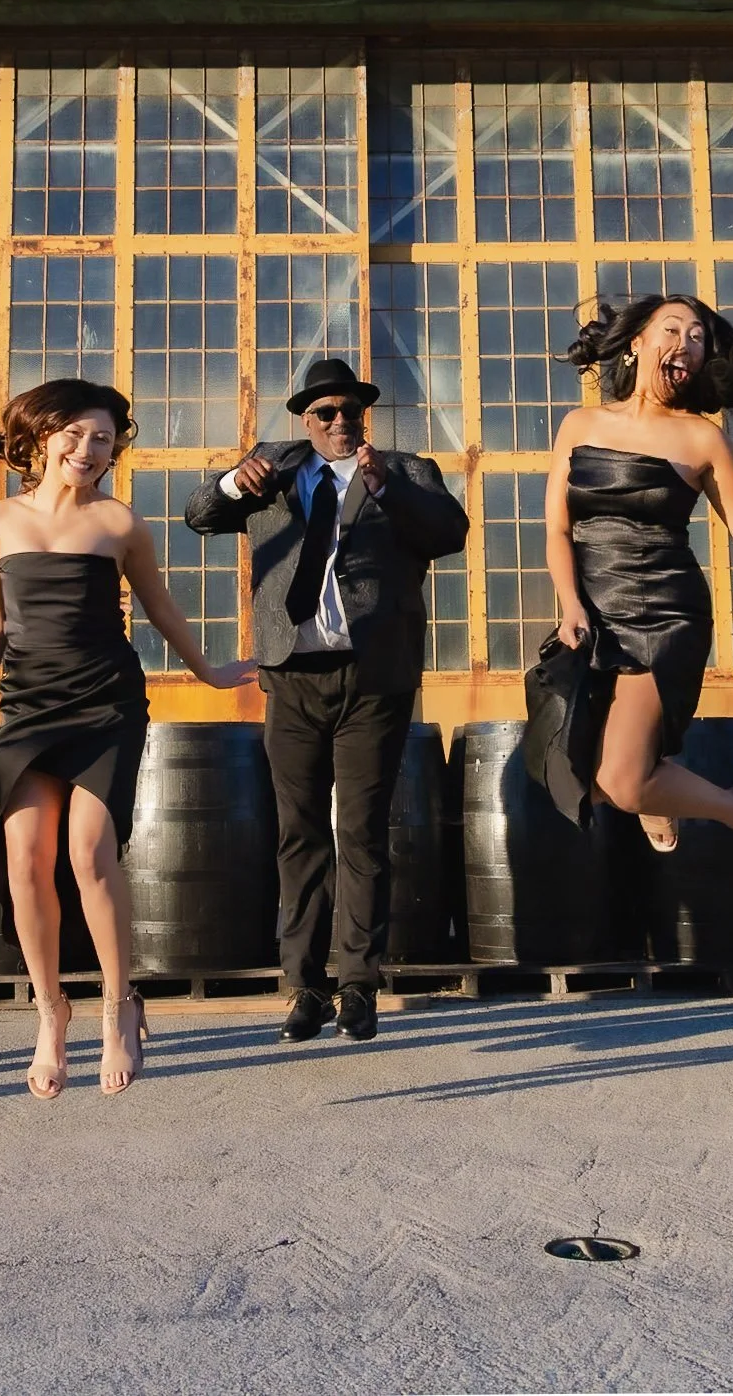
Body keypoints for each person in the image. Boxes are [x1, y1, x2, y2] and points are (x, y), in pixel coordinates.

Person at [0, 381, 254, 1097]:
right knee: (25, 858)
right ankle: (52, 1015)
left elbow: (161, 608)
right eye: (76, 436)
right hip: (27, 708)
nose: (88, 451)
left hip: (105, 703)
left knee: (88, 852)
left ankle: (119, 1010)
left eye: (105, 440)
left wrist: (209, 672)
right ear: (43, 436)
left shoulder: (120, 524)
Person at [183, 358, 469, 1045]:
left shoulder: (404, 469)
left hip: (373, 677)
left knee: (362, 831)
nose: (341, 423)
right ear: (304, 421)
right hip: (291, 676)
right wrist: (230, 482)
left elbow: (450, 534)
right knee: (300, 832)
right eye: (325, 414)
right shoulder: (271, 466)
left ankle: (359, 986)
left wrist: (387, 491)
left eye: (351, 412)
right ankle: (304, 988)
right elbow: (198, 515)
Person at [540, 295, 733, 882]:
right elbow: (557, 528)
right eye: (672, 329)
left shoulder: (703, 440)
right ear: (636, 343)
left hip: (664, 614)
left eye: (699, 336)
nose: (686, 343)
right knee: (574, 775)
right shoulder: (579, 425)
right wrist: (571, 605)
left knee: (622, 783)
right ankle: (675, 782)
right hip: (593, 613)